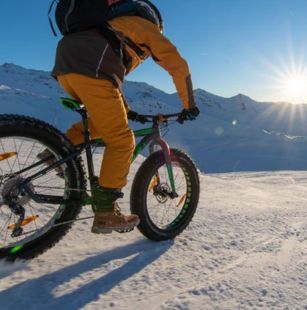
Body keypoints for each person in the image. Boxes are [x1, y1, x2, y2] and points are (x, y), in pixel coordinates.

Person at [48, 2, 200, 234]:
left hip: (66, 68)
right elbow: (177, 64)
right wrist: (189, 105)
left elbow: (110, 79)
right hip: (91, 68)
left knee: (100, 125)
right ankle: (106, 212)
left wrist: (128, 111)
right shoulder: (143, 27)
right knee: (122, 141)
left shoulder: (109, 27)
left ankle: (53, 153)